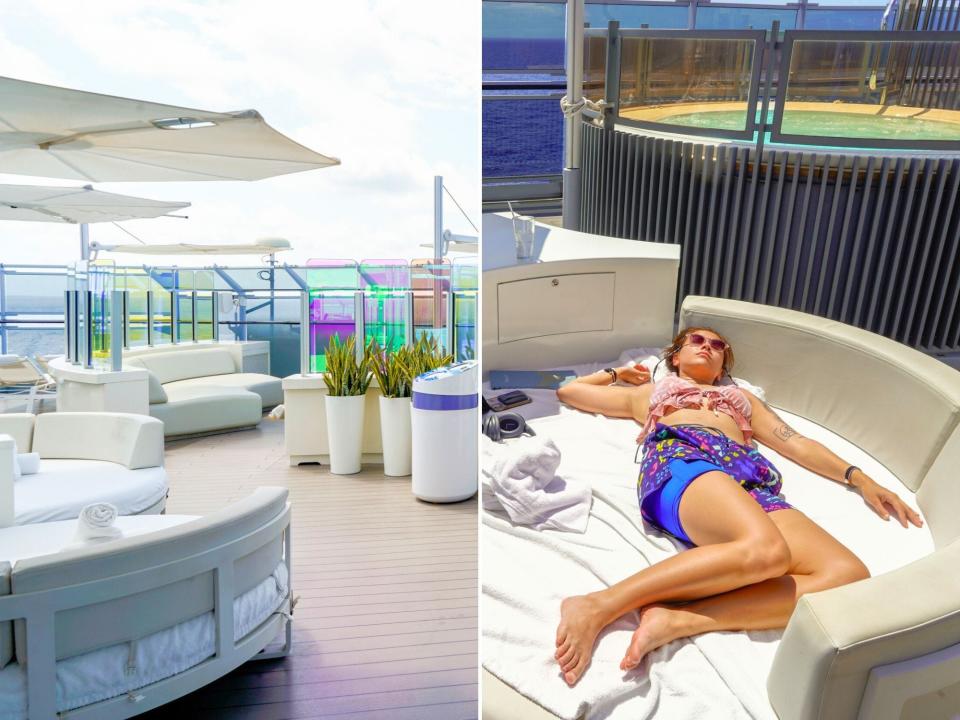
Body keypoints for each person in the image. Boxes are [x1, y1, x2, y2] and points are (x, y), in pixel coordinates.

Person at [553, 327, 923, 687]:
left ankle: (682, 620)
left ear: (722, 366)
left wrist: (859, 478)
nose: (707, 346)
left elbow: (796, 443)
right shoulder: (650, 393)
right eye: (695, 340)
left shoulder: (744, 402)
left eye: (718, 345)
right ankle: (598, 604)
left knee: (846, 575)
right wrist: (617, 373)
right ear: (676, 356)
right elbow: (569, 391)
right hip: (683, 457)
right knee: (768, 552)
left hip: (749, 477)